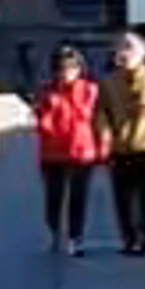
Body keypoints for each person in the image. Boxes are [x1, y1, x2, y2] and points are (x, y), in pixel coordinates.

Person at [100, 29, 145, 258]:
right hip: (119, 146)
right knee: (122, 196)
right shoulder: (109, 81)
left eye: (129, 48)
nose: (124, 52)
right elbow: (101, 111)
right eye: (121, 47)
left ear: (142, 53)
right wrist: (104, 135)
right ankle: (129, 239)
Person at [32, 48, 107, 253]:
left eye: (70, 68)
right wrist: (46, 109)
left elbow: (97, 120)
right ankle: (55, 233)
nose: (65, 73)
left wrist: (103, 147)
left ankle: (75, 238)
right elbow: (40, 121)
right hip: (52, 153)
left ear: (79, 69)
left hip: (82, 152)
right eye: (61, 68)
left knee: (78, 197)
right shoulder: (46, 92)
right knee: (53, 198)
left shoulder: (90, 90)